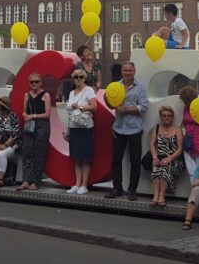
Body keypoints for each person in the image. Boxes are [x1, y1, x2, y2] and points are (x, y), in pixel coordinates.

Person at [105, 61, 148, 202]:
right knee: (116, 160)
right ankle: (117, 189)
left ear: (134, 71)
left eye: (130, 70)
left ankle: (132, 190)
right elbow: (111, 104)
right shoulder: (115, 86)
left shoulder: (141, 87)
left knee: (135, 161)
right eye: (125, 70)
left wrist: (126, 109)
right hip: (118, 128)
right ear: (122, 71)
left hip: (135, 129)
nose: (127, 73)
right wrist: (108, 101)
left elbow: (143, 107)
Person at [64, 67, 98, 195]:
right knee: (76, 158)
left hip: (85, 128)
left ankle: (84, 185)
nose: (78, 79)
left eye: (81, 77)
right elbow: (69, 113)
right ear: (73, 79)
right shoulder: (72, 93)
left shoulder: (88, 90)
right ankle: (77, 184)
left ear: (85, 79)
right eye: (76, 77)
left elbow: (95, 107)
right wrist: (67, 129)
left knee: (85, 157)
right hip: (74, 127)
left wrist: (81, 107)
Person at [18, 72, 52, 191]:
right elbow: (24, 111)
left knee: (39, 153)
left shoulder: (45, 95)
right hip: (29, 126)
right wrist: (25, 115)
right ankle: (26, 180)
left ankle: (36, 181)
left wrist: (32, 116)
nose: (34, 84)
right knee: (27, 153)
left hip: (42, 126)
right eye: (32, 82)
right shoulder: (26, 95)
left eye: (36, 81)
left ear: (41, 82)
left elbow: (47, 114)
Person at [150, 105, 184, 206]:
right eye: (164, 115)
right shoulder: (156, 128)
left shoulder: (177, 130)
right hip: (159, 157)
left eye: (169, 115)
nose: (166, 117)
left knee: (164, 166)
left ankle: (161, 195)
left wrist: (169, 158)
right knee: (156, 166)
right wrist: (155, 157)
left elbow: (180, 148)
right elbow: (152, 143)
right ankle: (156, 195)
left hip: (174, 160)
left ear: (172, 117)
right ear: (160, 116)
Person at [0, 96, 20, 188]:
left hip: (11, 145)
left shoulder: (13, 117)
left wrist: (5, 145)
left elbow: (15, 134)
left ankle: (0, 179)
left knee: (2, 154)